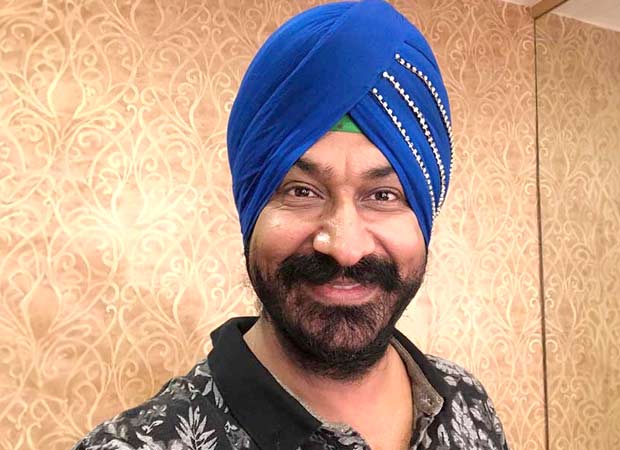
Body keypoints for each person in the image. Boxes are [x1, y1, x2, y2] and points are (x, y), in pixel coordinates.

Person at [72, 1, 510, 449]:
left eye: (383, 195)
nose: (344, 247)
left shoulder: (466, 400)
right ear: (251, 210)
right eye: (301, 191)